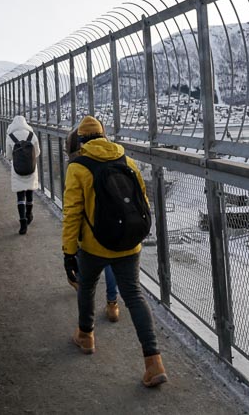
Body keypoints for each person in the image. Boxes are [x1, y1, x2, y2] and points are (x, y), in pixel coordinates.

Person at [62, 115, 167, 387]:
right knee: (133, 295)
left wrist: (68, 251)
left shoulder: (78, 166)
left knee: (86, 286)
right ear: (104, 136)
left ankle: (86, 335)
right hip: (129, 245)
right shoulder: (127, 161)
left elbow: (72, 212)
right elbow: (142, 201)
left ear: (81, 141)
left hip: (94, 246)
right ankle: (153, 362)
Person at [65, 128, 121, 323]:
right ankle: (112, 303)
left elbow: (72, 208)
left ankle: (86, 330)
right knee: (111, 262)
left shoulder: (76, 162)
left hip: (87, 227)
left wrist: (68, 250)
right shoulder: (114, 155)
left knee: (86, 265)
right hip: (112, 222)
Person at [5, 115, 40, 234]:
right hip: (31, 167)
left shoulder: (10, 136)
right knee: (30, 193)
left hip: (18, 169)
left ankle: (23, 222)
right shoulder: (32, 135)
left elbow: (9, 156)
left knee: (20, 197)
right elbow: (38, 152)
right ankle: (29, 214)